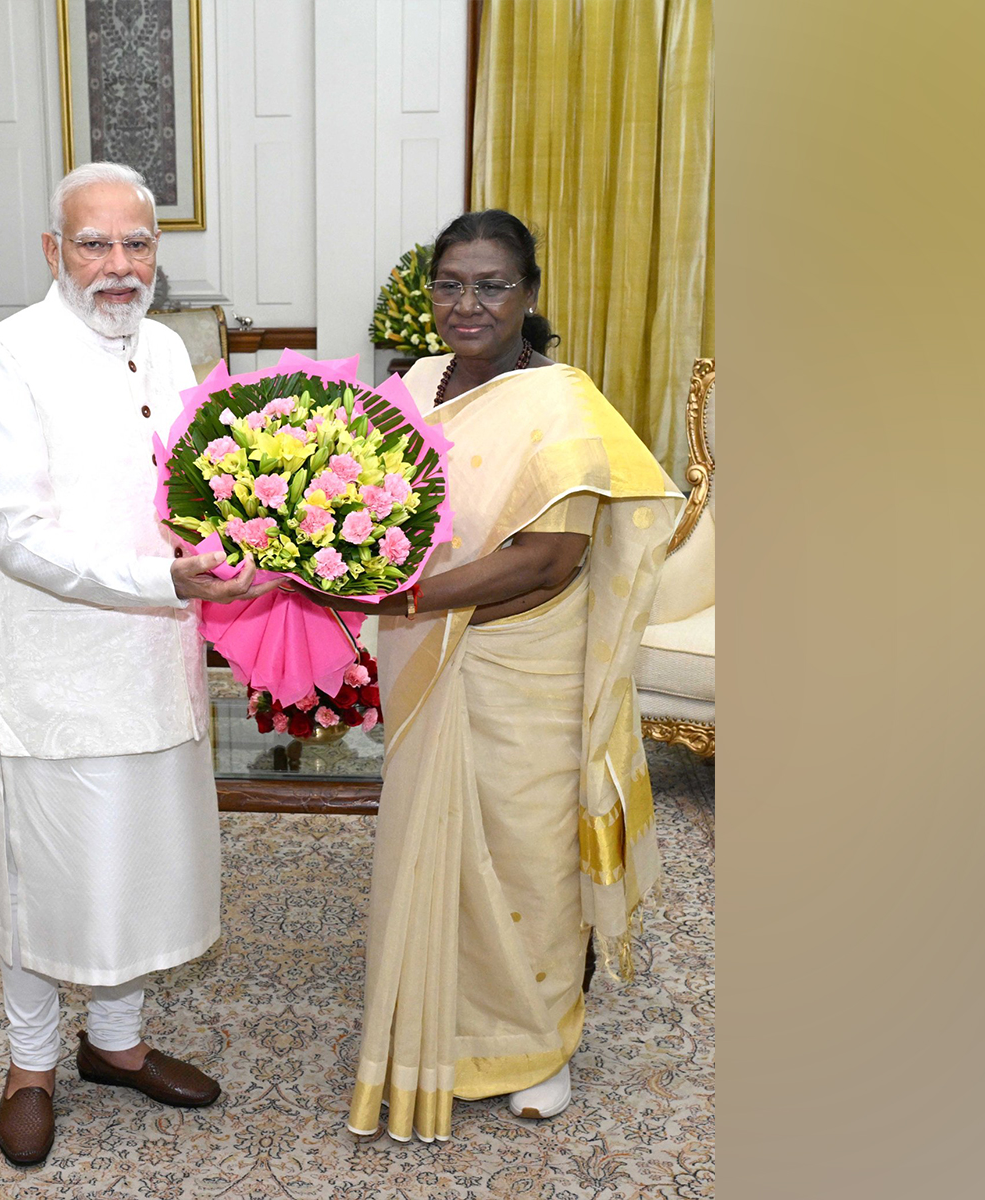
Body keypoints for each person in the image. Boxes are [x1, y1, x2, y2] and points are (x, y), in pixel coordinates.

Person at [306, 210, 684, 1141]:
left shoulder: (561, 403)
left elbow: (548, 560)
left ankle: (538, 1042)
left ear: (529, 296)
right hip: (429, 649)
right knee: (429, 843)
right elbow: (357, 500)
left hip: (523, 659)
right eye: (449, 284)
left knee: (524, 851)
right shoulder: (414, 384)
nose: (466, 304)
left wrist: (397, 598)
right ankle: (437, 1023)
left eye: (491, 285)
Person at [0, 161, 278, 1167]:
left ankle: (117, 1044)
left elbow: (188, 486)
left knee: (137, 866)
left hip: (155, 669)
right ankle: (29, 1064)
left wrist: (243, 539)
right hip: (54, 678)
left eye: (136, 244)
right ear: (53, 252)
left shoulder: (174, 349)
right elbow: (18, 537)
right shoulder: (7, 358)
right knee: (47, 880)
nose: (117, 265)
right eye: (93, 243)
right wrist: (165, 581)